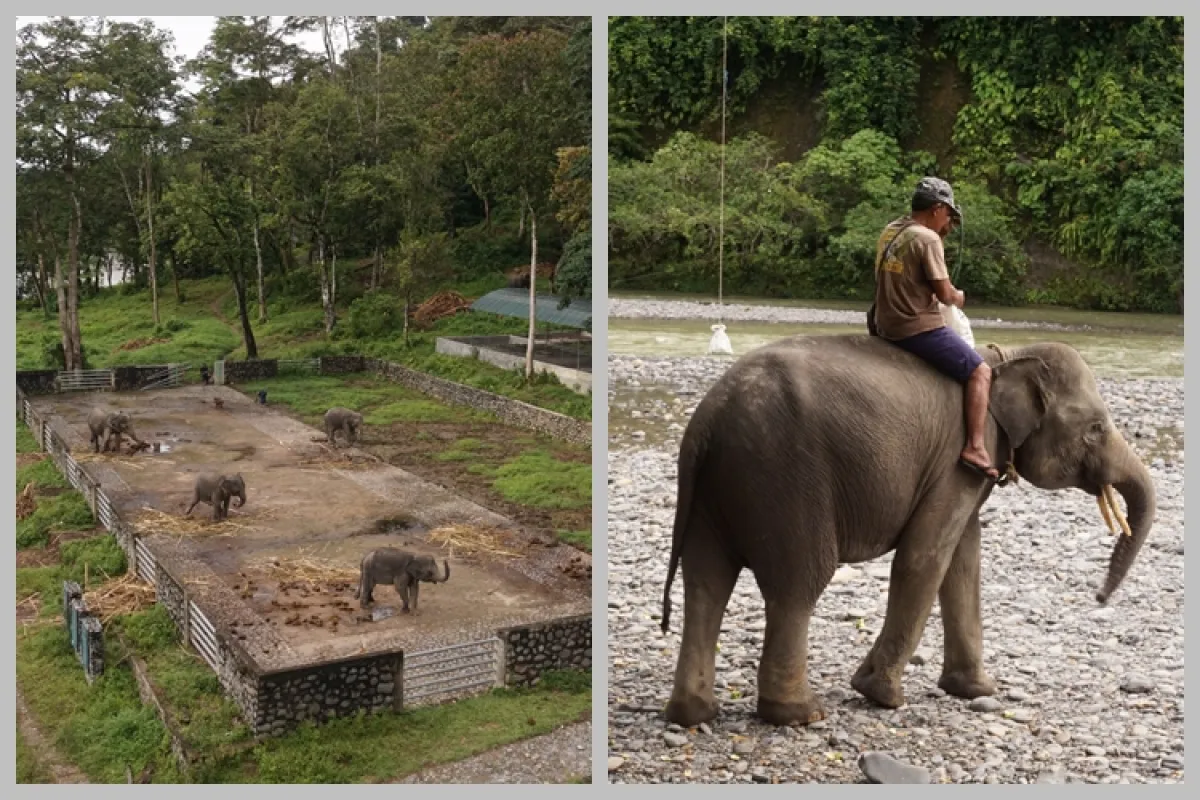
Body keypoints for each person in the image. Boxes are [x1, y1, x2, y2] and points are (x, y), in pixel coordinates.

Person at [870, 176, 999, 481]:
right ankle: (975, 446)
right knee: (980, 372)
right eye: (948, 216)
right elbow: (944, 295)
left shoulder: (892, 230)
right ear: (938, 208)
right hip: (914, 327)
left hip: (882, 322)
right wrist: (959, 296)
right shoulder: (926, 239)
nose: (948, 223)